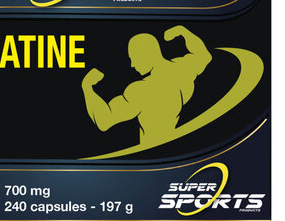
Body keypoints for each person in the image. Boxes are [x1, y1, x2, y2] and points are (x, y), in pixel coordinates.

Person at [82, 25, 212, 146]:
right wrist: (182, 31)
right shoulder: (182, 69)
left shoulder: (143, 90)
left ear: (149, 54)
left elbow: (105, 121)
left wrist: (87, 86)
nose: (132, 65)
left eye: (135, 58)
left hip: (155, 154)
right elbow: (204, 55)